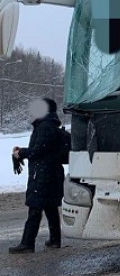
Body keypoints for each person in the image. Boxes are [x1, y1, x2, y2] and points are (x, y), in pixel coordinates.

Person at [9, 98, 65, 254]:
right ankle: (55, 240)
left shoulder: (45, 127)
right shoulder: (49, 125)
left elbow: (39, 151)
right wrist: (24, 150)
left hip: (43, 175)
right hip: (50, 173)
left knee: (35, 209)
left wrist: (22, 153)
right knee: (50, 207)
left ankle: (27, 244)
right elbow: (42, 148)